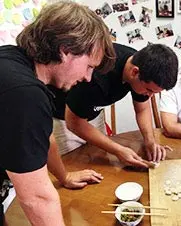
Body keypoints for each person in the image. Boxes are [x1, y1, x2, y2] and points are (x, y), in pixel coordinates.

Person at [0, 1, 115, 225]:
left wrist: (64, 176)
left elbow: (43, 138)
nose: (88, 78)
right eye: (89, 66)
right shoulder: (26, 94)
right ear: (66, 51)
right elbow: (37, 198)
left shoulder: (12, 61)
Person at [51, 43, 178, 168]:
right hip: (64, 117)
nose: (149, 96)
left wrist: (150, 141)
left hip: (92, 112)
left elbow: (142, 109)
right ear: (135, 72)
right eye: (149, 90)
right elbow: (74, 123)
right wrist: (118, 150)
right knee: (73, 166)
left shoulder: (141, 65)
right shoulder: (97, 77)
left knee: (98, 162)